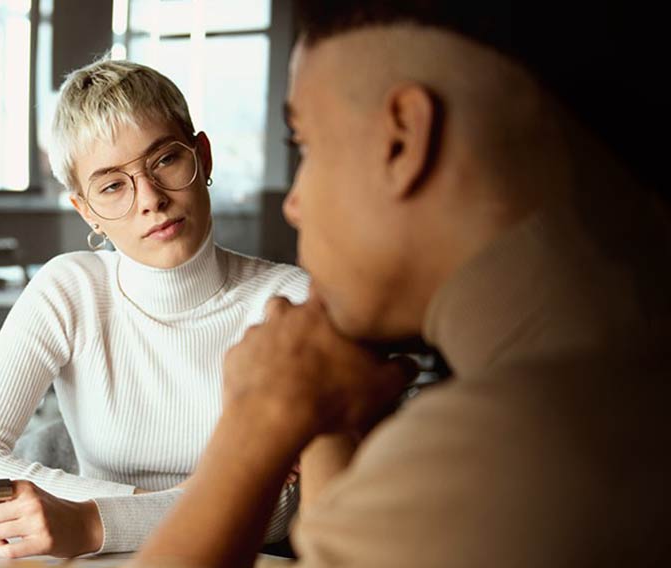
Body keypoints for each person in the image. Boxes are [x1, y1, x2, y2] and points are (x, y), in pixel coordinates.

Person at [138, 3, 671, 566]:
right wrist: (321, 421)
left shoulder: (500, 450)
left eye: (306, 145)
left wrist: (259, 417)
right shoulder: (626, 353)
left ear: (404, 137)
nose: (293, 204)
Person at [0, 59, 309, 558]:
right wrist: (148, 512)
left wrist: (91, 521)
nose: (150, 198)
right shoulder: (70, 289)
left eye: (165, 160)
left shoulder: (290, 302)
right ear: (86, 210)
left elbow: (283, 506)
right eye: (111, 185)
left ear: (203, 157)